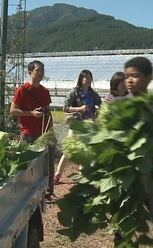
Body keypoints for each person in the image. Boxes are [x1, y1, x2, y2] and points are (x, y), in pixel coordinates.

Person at [114, 56, 153, 247]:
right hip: (125, 178)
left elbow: (152, 130)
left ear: (149, 78)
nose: (130, 80)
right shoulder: (116, 105)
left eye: (135, 75)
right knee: (122, 231)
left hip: (150, 176)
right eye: (127, 76)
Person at [9, 60, 56, 197]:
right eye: (38, 70)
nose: (40, 73)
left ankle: (48, 189)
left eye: (42, 71)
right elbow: (13, 110)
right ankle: (27, 192)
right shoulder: (22, 90)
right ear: (30, 72)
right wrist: (31, 113)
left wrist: (51, 131)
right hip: (29, 133)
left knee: (48, 163)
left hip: (44, 133)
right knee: (29, 165)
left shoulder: (44, 91)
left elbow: (48, 112)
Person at [54, 69, 102, 184]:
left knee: (84, 151)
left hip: (88, 125)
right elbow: (65, 108)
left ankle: (82, 176)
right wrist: (79, 109)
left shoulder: (92, 94)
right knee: (68, 150)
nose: (89, 80)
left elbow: (100, 104)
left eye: (90, 78)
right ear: (81, 79)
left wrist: (96, 115)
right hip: (76, 125)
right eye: (86, 78)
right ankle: (57, 174)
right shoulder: (74, 92)